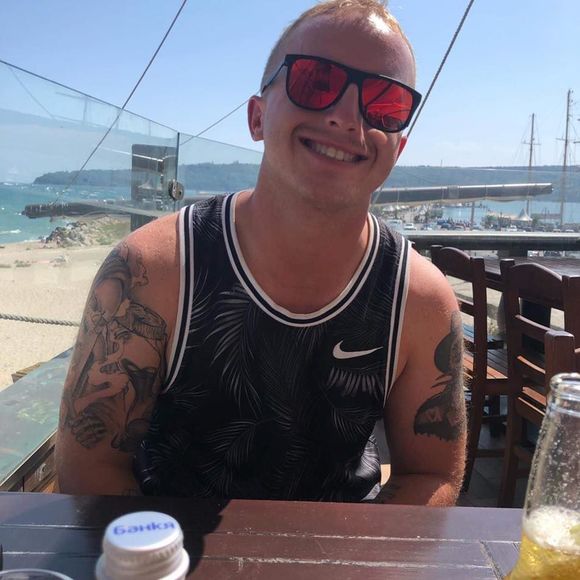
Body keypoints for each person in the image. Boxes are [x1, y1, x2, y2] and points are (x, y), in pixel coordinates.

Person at [56, 0, 466, 505]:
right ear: (257, 117)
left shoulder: (420, 301)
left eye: (386, 103)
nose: (345, 117)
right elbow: (91, 467)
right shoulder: (155, 270)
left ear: (397, 148)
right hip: (168, 539)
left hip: (345, 543)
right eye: (316, 82)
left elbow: (431, 475)